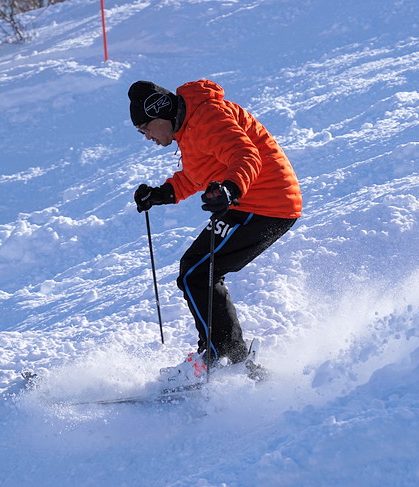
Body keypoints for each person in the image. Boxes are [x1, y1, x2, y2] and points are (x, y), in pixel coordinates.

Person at [129, 79, 302, 382]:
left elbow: (246, 155)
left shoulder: (208, 117)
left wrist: (230, 190)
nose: (147, 138)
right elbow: (196, 174)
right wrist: (161, 193)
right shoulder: (190, 126)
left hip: (265, 203)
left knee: (196, 272)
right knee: (197, 271)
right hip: (250, 203)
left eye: (145, 129)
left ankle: (221, 356)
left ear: (161, 113)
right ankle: (231, 358)